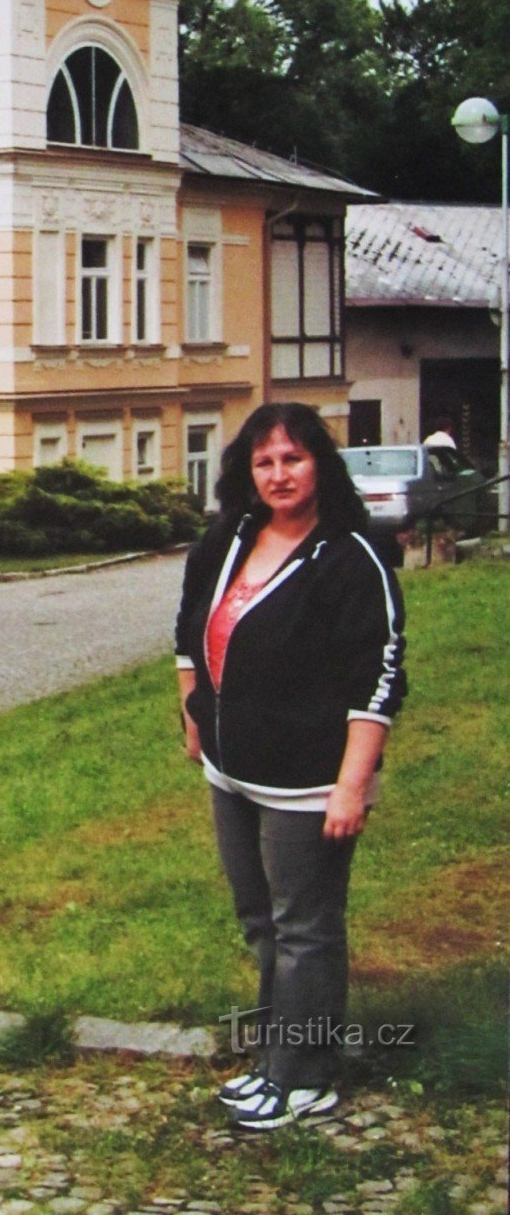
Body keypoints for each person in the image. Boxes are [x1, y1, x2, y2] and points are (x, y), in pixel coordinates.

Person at [175, 401, 406, 1131]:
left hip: (309, 783)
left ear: (320, 466)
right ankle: (275, 1060)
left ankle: (305, 1077)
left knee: (305, 927)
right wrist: (194, 715)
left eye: (293, 459)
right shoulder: (228, 539)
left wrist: (353, 783)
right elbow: (189, 629)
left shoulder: (350, 554)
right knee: (261, 924)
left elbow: (379, 677)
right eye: (264, 461)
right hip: (232, 773)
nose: (278, 475)